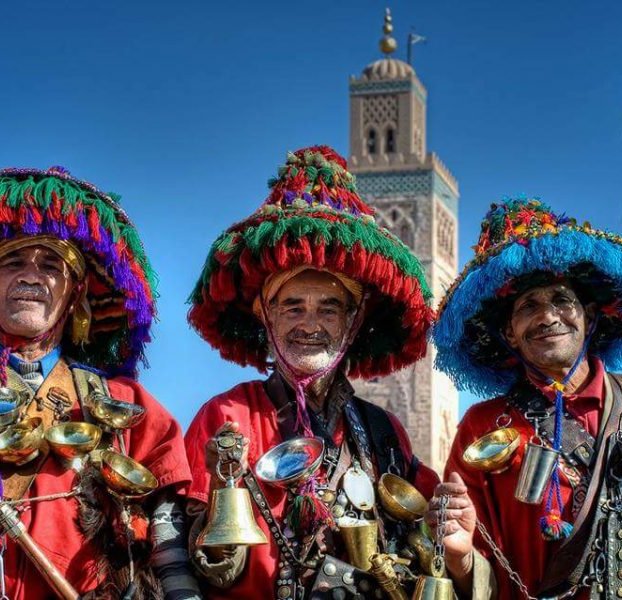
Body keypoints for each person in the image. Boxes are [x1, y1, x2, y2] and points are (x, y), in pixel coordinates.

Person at [0, 167, 201, 600]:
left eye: (51, 265)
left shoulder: (127, 405)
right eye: (13, 261)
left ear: (74, 292)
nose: (31, 276)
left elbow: (170, 540)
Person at [184, 146, 460, 599]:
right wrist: (217, 491)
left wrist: (455, 526)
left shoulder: (383, 432)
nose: (310, 324)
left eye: (329, 309)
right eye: (292, 306)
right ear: (265, 315)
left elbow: (431, 540)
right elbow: (186, 558)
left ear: (352, 323)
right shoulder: (226, 417)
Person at [428, 198, 622, 599]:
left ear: (589, 314)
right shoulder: (482, 427)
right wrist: (461, 556)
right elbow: (470, 568)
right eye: (528, 306)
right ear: (510, 333)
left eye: (561, 300)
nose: (548, 317)